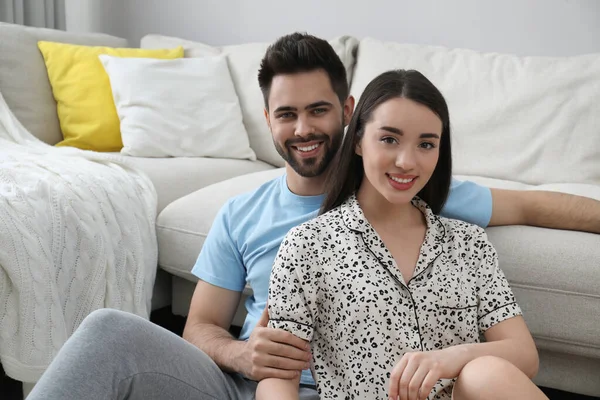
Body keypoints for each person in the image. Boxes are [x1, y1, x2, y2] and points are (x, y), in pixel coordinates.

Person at [27, 32, 600, 400]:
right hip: (248, 383)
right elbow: (201, 324)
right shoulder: (244, 213)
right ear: (269, 119)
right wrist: (240, 354)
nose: (303, 128)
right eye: (287, 114)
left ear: (349, 115)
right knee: (107, 333)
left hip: (356, 387)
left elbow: (531, 203)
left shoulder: (408, 188)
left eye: (319, 110)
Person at [255, 68, 547, 400]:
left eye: (426, 144)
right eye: (389, 139)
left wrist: (450, 359)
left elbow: (525, 355)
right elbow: (278, 377)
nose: (407, 162)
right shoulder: (307, 245)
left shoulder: (469, 243)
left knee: (484, 373)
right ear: (359, 142)